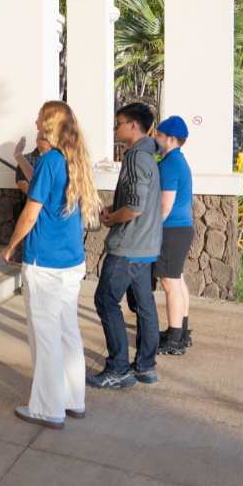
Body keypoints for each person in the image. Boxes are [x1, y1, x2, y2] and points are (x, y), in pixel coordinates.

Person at [3, 101, 101, 429]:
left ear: (48, 124)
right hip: (71, 261)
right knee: (67, 332)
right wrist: (19, 158)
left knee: (45, 337)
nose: (34, 120)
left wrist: (12, 245)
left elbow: (30, 212)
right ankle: (74, 400)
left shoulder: (49, 161)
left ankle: (47, 408)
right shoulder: (73, 160)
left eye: (39, 117)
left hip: (44, 261)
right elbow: (42, 186)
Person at [88, 102, 162, 389]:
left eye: (118, 123)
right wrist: (114, 208)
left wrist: (112, 219)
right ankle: (145, 366)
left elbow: (135, 207)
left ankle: (119, 367)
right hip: (143, 247)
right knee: (144, 306)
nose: (115, 128)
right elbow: (134, 200)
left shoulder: (136, 157)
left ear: (133, 125)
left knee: (105, 301)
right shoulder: (146, 156)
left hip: (129, 247)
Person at [153, 116, 194, 355]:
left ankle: (174, 340)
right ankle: (181, 333)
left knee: (169, 284)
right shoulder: (178, 160)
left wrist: (150, 229)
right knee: (177, 280)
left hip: (172, 230)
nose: (156, 139)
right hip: (181, 229)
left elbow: (165, 206)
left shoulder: (169, 164)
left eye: (158, 135)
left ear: (170, 138)